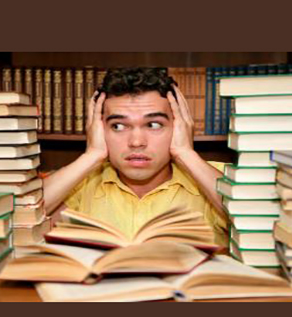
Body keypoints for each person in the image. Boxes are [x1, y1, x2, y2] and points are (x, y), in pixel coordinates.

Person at [43, 67, 229, 246]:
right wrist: (92, 155)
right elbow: (19, 216)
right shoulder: (80, 183)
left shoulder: (216, 179)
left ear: (180, 126)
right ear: (99, 130)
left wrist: (186, 153)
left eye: (154, 125)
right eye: (118, 126)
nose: (136, 142)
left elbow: (252, 219)